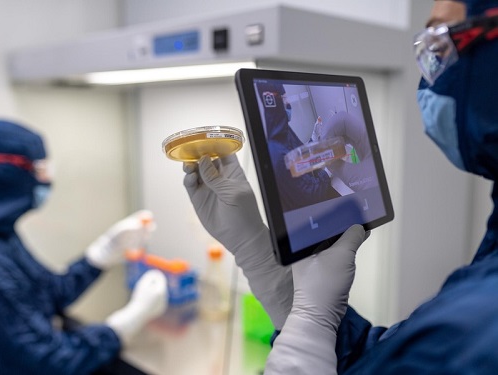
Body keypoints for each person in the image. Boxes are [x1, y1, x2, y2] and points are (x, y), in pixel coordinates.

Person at [183, 0, 498, 373]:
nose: (431, 70)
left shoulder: (475, 333)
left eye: (442, 40)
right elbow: (382, 359)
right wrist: (263, 262)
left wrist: (310, 322)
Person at [0, 120, 167, 375]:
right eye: (39, 169)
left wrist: (101, 254)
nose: (45, 180)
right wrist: (126, 323)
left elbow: (45, 293)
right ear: (9, 172)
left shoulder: (4, 234)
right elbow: (49, 362)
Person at [256, 81, 341, 211]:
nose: (288, 102)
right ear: (273, 103)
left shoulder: (283, 131)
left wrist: (314, 138)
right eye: (284, 98)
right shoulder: (277, 154)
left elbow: (301, 157)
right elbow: (311, 194)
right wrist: (327, 173)